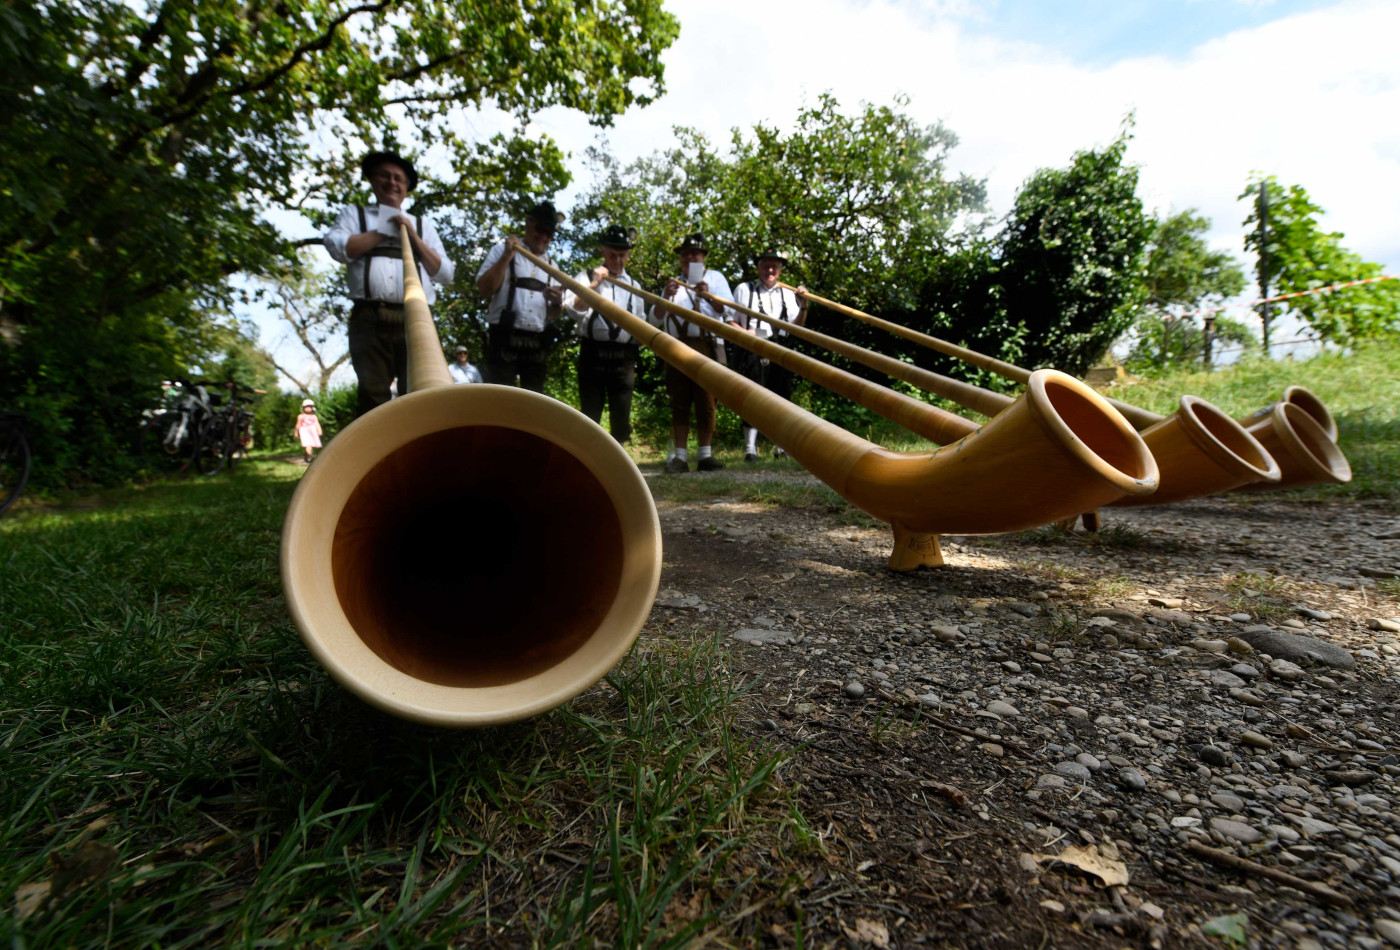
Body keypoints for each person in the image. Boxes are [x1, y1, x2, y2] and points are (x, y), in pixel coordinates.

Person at [324, 151, 456, 418]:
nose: (392, 183)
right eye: (384, 176)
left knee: (419, 396)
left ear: (406, 188)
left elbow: (445, 273)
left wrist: (413, 236)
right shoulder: (354, 215)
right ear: (373, 181)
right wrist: (384, 229)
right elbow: (338, 248)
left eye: (399, 178)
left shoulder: (422, 224)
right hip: (369, 317)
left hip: (416, 319)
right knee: (373, 394)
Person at [651, 233, 731, 473]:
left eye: (694, 253)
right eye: (685, 254)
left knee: (706, 399)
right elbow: (654, 318)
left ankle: (705, 456)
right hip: (676, 346)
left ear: (703, 257)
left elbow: (729, 310)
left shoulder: (715, 279)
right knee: (679, 400)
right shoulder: (673, 283)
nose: (689, 257)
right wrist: (665, 296)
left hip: (705, 345)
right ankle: (680, 457)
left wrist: (708, 296)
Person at [562, 225, 647, 443]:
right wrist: (595, 284)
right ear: (603, 251)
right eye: (612, 254)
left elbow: (641, 327)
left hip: (624, 358)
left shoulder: (635, 286)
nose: (617, 260)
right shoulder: (586, 276)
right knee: (590, 417)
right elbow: (572, 310)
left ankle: (616, 470)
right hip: (593, 354)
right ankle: (587, 463)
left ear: (628, 255)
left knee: (622, 418)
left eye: (622, 255)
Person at [729, 247, 809, 461]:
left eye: (774, 266)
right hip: (753, 347)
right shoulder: (744, 289)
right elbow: (729, 320)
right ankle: (750, 449)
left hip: (781, 347)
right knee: (753, 396)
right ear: (758, 267)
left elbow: (796, 328)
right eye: (765, 265)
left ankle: (780, 447)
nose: (770, 269)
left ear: (780, 270)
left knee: (782, 397)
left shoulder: (788, 293)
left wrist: (804, 306)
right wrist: (747, 335)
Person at [476, 201, 565, 392]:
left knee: (534, 405)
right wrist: (507, 257)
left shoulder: (552, 267)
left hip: (537, 345)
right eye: (540, 229)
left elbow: (552, 316)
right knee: (498, 400)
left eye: (549, 234)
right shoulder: (501, 251)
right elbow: (484, 289)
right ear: (528, 223)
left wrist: (557, 303)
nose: (544, 237)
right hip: (503, 339)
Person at [293, 398, 322, 463]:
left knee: (311, 445)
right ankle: (310, 457)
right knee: (307, 444)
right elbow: (298, 425)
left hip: (312, 431)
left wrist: (319, 430)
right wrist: (296, 432)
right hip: (304, 431)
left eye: (310, 407)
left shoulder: (314, 416)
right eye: (307, 407)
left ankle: (307, 456)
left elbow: (317, 423)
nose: (308, 408)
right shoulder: (301, 416)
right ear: (303, 408)